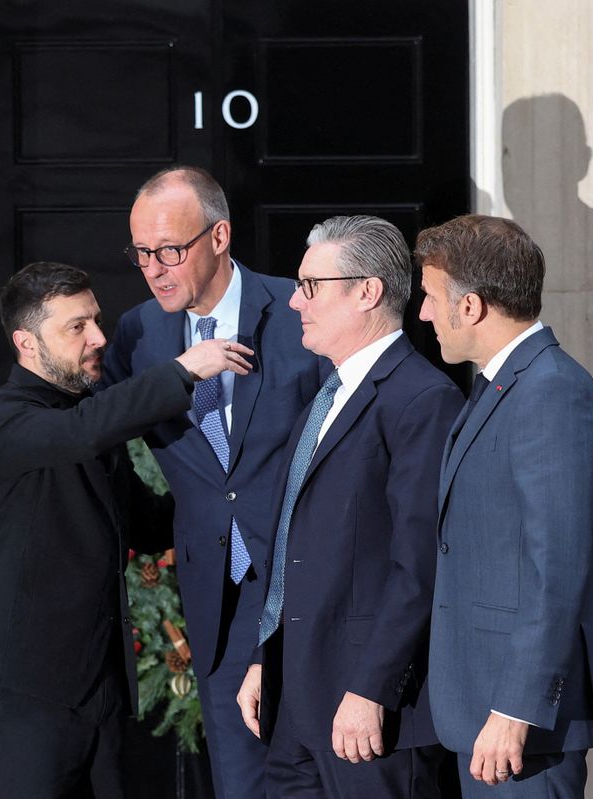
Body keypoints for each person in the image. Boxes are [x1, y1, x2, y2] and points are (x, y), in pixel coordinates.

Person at [0, 168, 324, 798]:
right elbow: (75, 421)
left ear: (219, 236)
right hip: (72, 668)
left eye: (169, 249)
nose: (153, 267)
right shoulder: (142, 341)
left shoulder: (299, 311)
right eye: (142, 253)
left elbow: (109, 451)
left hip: (303, 598)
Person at [0, 261, 254, 798]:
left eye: (96, 320)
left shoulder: (87, 413)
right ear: (27, 342)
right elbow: (77, 435)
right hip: (25, 689)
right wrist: (183, 371)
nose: (98, 337)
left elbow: (146, 523)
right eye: (76, 327)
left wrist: (242, 497)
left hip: (102, 688)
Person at [235, 216, 464, 798]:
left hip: (370, 715)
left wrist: (372, 690)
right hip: (297, 705)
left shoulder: (422, 399)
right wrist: (267, 656)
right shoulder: (327, 396)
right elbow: (297, 541)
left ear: (368, 291)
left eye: (311, 286)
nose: (294, 301)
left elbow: (419, 566)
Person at [415, 215, 593, 797]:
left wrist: (516, 707)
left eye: (431, 299)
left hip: (517, 725)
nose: (424, 315)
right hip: (479, 710)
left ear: (473, 306)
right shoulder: (502, 385)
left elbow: (556, 567)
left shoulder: (552, 390)